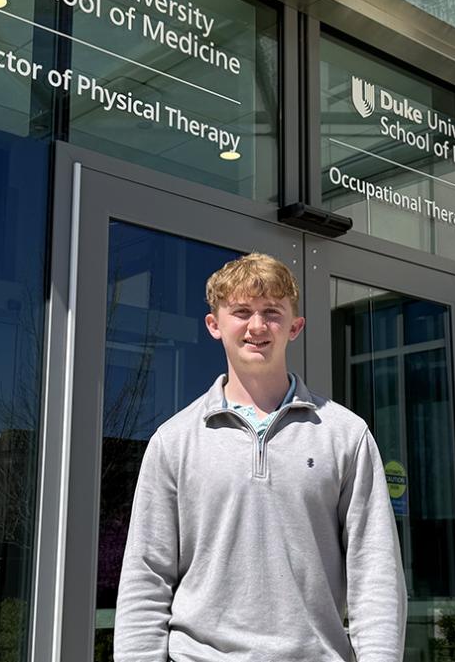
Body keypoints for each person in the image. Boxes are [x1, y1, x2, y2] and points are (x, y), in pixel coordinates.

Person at [113, 252, 406, 662]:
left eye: (272, 312)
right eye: (241, 312)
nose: (256, 326)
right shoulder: (173, 441)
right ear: (214, 325)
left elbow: (374, 570)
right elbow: (146, 574)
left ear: (295, 327)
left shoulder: (346, 435)